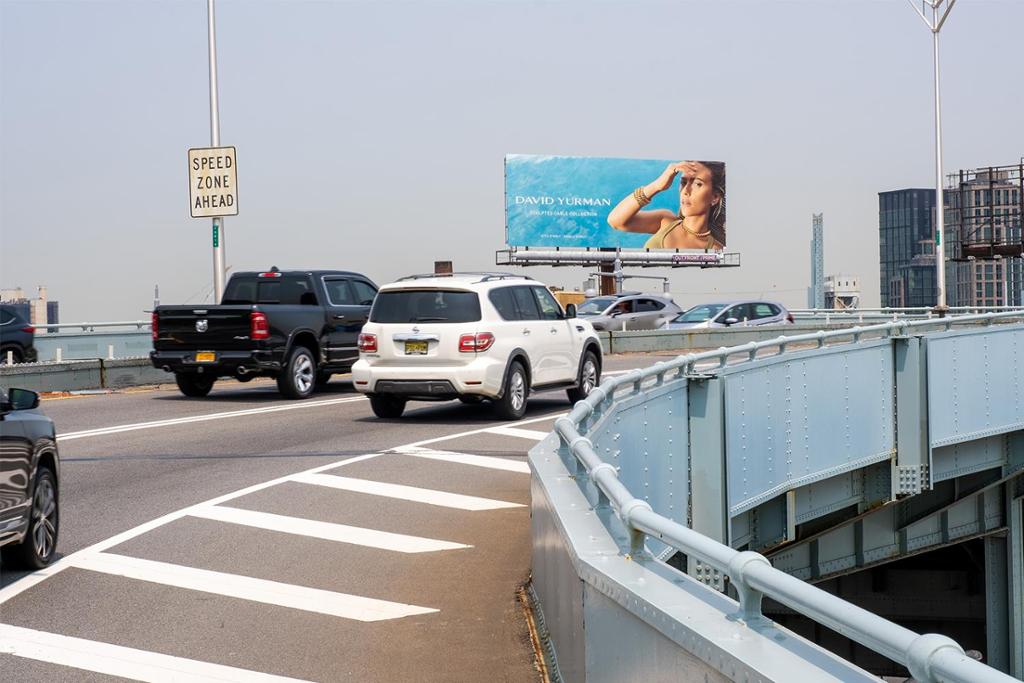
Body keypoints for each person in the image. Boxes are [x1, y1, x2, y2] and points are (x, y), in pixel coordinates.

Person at [607, 160, 726, 250]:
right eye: (683, 182)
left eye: (697, 184)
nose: (686, 191)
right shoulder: (665, 221)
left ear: (715, 197)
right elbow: (615, 221)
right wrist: (657, 186)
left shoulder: (716, 249)